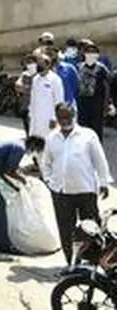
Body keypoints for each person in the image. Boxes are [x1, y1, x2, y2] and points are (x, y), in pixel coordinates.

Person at [44, 102, 113, 266]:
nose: (65, 120)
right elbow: (46, 163)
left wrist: (103, 182)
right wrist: (49, 181)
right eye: (61, 117)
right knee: (66, 231)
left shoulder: (88, 135)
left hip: (86, 190)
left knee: (91, 230)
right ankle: (71, 265)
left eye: (68, 117)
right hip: (61, 192)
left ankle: (92, 265)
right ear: (57, 118)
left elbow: (100, 160)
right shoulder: (52, 137)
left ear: (74, 115)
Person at [76, 40, 111, 139]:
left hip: (96, 104)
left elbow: (107, 86)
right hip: (82, 104)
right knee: (83, 131)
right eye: (88, 52)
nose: (90, 54)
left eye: (93, 52)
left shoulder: (101, 68)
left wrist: (106, 104)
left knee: (96, 131)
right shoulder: (79, 67)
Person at [28, 52, 64, 140]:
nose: (38, 65)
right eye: (38, 63)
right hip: (35, 120)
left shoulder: (55, 79)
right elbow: (33, 99)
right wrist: (30, 114)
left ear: (48, 65)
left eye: (41, 63)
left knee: (49, 143)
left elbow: (59, 101)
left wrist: (55, 118)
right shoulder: (35, 79)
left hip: (48, 119)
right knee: (35, 144)